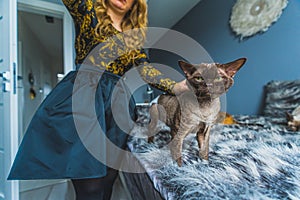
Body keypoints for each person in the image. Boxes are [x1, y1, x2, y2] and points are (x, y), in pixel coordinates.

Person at [8, 0, 188, 199]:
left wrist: (176, 87)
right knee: (90, 184)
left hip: (118, 105)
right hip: (84, 97)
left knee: (108, 178)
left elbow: (145, 70)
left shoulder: (133, 36)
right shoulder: (87, 9)